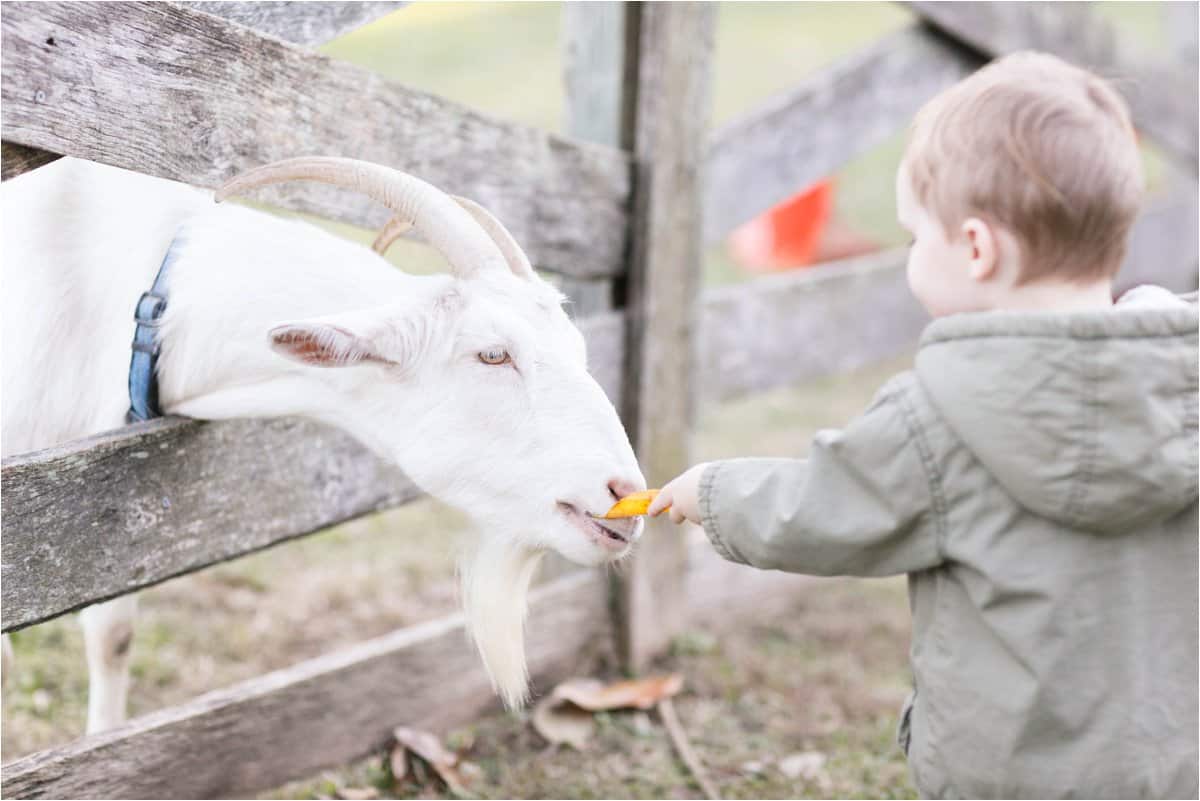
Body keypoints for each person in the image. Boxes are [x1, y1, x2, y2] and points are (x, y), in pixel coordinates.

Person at [648, 51, 1198, 798]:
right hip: (1168, 765)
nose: (910, 256)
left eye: (915, 237)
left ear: (976, 248)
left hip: (1005, 775)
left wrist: (712, 492)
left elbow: (819, 509)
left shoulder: (939, 419)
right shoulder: (1182, 385)